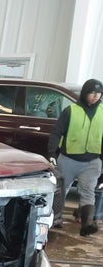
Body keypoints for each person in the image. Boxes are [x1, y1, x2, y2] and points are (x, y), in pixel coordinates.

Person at [48, 78, 103, 236]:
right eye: (92, 93)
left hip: (93, 161)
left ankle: (87, 224)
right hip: (68, 159)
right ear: (85, 93)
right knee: (61, 190)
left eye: (99, 93)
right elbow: (56, 132)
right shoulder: (70, 111)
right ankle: (55, 219)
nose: (95, 96)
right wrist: (51, 152)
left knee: (88, 191)